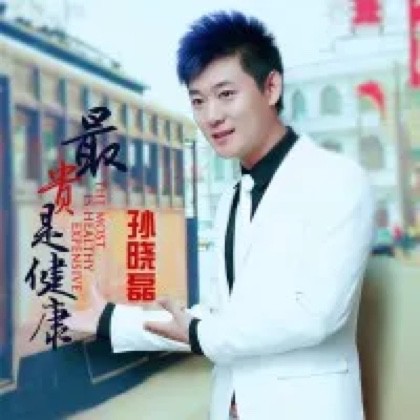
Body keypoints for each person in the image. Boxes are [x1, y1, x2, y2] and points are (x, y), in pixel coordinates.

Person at [65, 11, 375, 420]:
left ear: (271, 87)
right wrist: (108, 321)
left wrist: (199, 332)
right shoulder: (231, 199)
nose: (211, 116)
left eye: (226, 94)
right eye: (198, 100)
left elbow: (316, 317)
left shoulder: (338, 180)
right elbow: (214, 319)